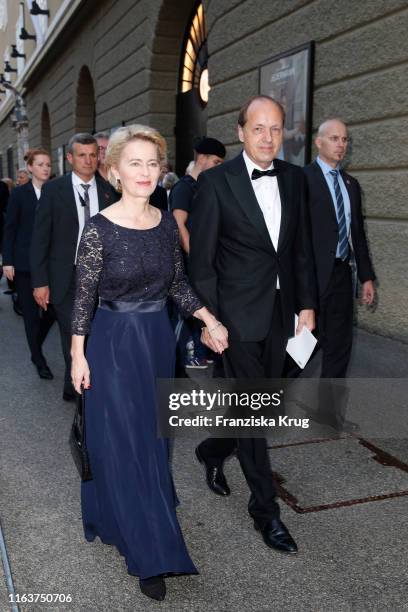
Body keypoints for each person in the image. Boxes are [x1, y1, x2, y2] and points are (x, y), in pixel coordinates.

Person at [70, 125, 228, 601]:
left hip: (157, 341)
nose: (144, 171)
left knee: (154, 441)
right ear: (114, 170)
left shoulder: (162, 223)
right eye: (134, 163)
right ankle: (149, 551)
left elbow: (177, 285)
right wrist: (78, 354)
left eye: (152, 163)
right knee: (126, 444)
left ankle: (122, 512)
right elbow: (83, 298)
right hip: (113, 345)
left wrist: (209, 319)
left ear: (162, 171)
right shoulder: (98, 228)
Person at [189, 95, 316, 554]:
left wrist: (306, 305)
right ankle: (267, 512)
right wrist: (209, 319)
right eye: (259, 128)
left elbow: (299, 248)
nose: (268, 137)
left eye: (277, 129)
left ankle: (213, 449)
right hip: (237, 319)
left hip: (285, 316)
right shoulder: (217, 182)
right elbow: (201, 261)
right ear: (240, 132)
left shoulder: (295, 179)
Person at [30, 133, 119, 402]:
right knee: (73, 331)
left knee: (97, 331)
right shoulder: (54, 190)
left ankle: (83, 382)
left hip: (102, 276)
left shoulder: (109, 190)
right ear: (70, 158)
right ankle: (79, 387)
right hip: (65, 276)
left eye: (93, 154)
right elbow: (40, 238)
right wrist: (40, 281)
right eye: (82, 155)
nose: (88, 160)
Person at [301, 118, 375, 428]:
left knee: (339, 346)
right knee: (300, 347)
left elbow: (357, 234)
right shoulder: (302, 179)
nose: (341, 144)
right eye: (334, 138)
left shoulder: (351, 185)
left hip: (342, 275)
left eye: (344, 139)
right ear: (319, 143)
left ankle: (328, 414)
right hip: (311, 278)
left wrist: (366, 277)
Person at [170, 137, 226, 370]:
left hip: (203, 264)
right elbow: (179, 225)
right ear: (201, 158)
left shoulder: (205, 185)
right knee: (186, 316)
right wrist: (198, 259)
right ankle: (178, 363)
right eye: (216, 161)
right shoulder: (184, 187)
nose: (218, 166)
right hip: (188, 266)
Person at [2, 149, 56, 379]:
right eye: (41, 164)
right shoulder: (20, 194)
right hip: (24, 264)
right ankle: (38, 358)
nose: (45, 168)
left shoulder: (57, 191)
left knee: (53, 311)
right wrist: (8, 260)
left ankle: (35, 344)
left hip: (51, 263)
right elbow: (10, 228)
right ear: (31, 167)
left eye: (48, 164)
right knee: (32, 314)